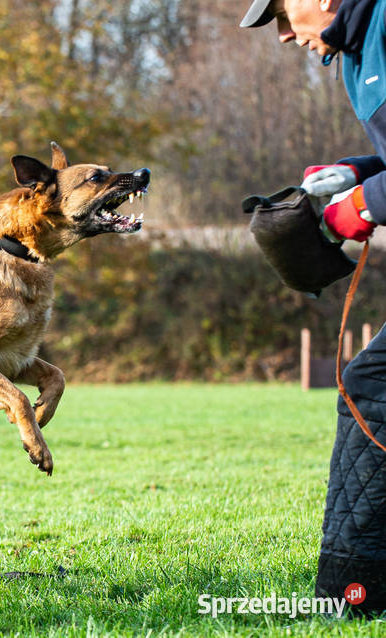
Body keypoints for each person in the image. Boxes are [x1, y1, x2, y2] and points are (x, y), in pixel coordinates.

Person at [242, 0, 386, 615]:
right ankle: (356, 590)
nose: (280, 35)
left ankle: (357, 591)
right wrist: (355, 172)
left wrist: (360, 206)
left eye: (279, 13)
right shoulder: (356, 52)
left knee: (373, 385)